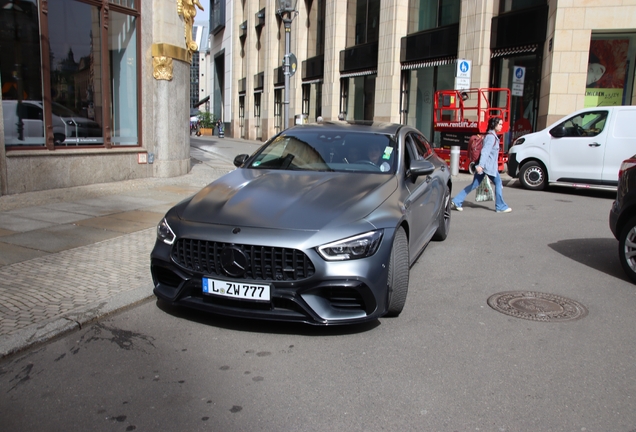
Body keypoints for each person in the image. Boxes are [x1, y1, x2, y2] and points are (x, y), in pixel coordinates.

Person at [451, 117, 512, 213]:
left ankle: (457, 201)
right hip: (487, 167)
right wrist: (481, 166)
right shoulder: (491, 137)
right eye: (500, 124)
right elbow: (485, 152)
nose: (501, 126)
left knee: (474, 184)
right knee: (498, 183)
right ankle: (500, 206)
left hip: (486, 167)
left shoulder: (491, 136)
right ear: (494, 125)